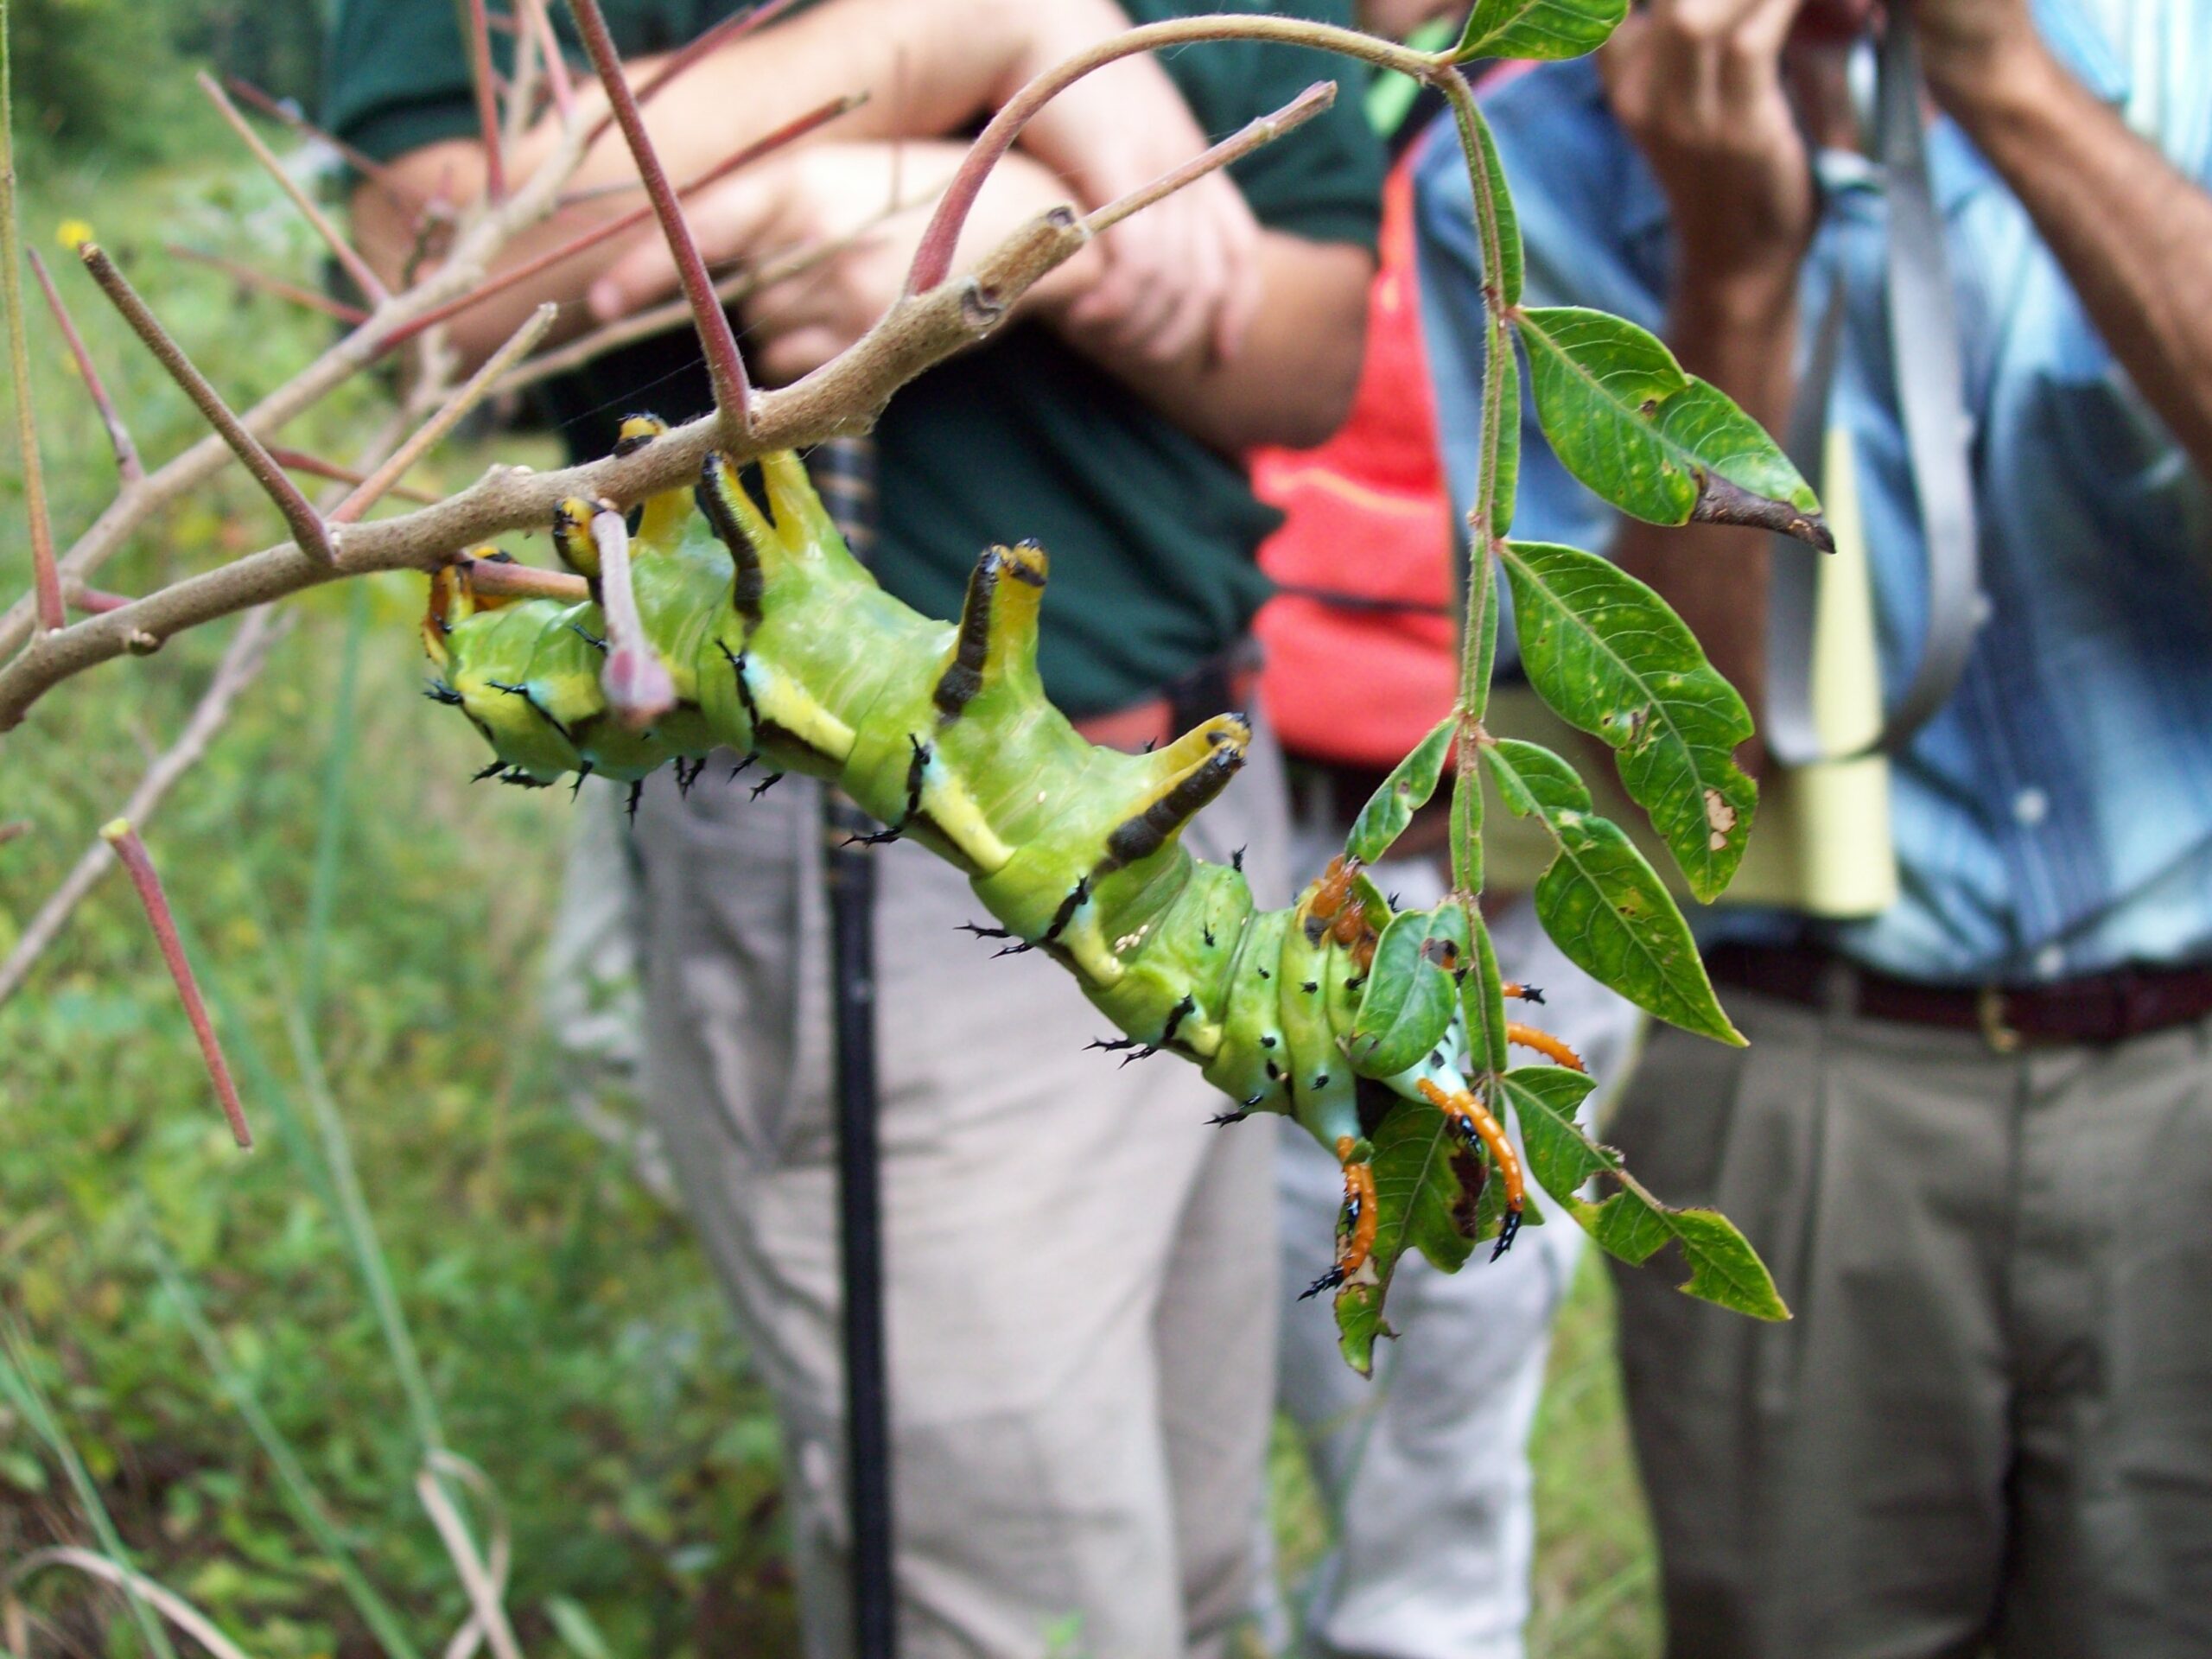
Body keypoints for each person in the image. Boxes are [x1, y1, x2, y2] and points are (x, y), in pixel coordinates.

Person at [326, 3, 1384, 1654]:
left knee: (1186, 1565)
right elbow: (423, 282)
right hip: (875, 863)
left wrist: (956, 215)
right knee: (1034, 1595)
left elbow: (1309, 340)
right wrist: (976, 33)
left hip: (1158, 833)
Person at [1417, 0, 2212, 1652]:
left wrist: (2004, 79)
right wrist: (1735, 276)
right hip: (1810, 1083)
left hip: (2184, 1076)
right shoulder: (1506, 173)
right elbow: (1656, 784)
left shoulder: (2164, 50)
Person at [1243, 41, 1646, 1654]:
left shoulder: (1615, 78)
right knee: (1198, 1350)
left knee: (1446, 1368)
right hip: (1225, 790)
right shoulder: (1256, 44)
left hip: (1501, 852)